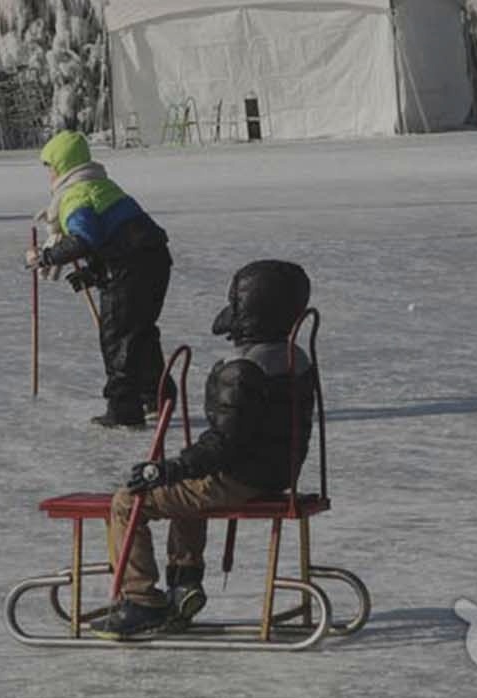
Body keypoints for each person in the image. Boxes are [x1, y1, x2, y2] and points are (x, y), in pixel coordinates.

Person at [90, 260, 316, 639]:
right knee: (186, 491)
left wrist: (169, 467)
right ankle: (185, 584)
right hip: (277, 471)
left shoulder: (245, 369)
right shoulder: (295, 358)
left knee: (129, 502)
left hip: (240, 476)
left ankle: (140, 599)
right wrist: (182, 469)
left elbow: (225, 443)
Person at [24, 130, 174, 428]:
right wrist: (95, 273)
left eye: (51, 169)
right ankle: (157, 397)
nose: (50, 177)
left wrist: (47, 257)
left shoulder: (75, 195)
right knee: (140, 331)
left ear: (64, 167)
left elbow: (85, 238)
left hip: (131, 268)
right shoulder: (102, 185)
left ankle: (124, 408)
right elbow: (117, 237)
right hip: (154, 261)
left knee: (118, 336)